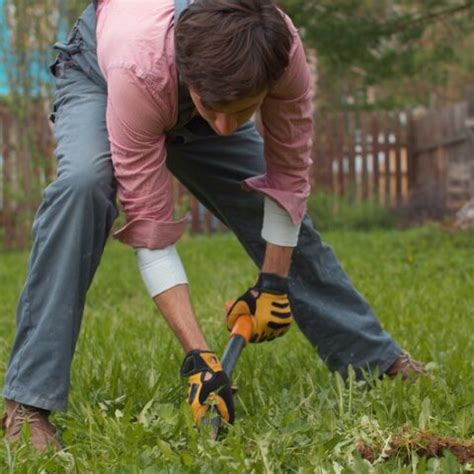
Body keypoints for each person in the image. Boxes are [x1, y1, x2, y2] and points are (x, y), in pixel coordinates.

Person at [1, 0, 424, 452]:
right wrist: (200, 359)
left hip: (207, 78)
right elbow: (150, 224)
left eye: (242, 112)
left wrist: (273, 283)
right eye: (213, 111)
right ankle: (26, 405)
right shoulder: (141, 67)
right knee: (82, 186)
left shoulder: (279, 55)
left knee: (277, 209)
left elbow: (287, 181)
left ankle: (375, 360)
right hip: (109, 77)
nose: (224, 129)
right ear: (191, 83)